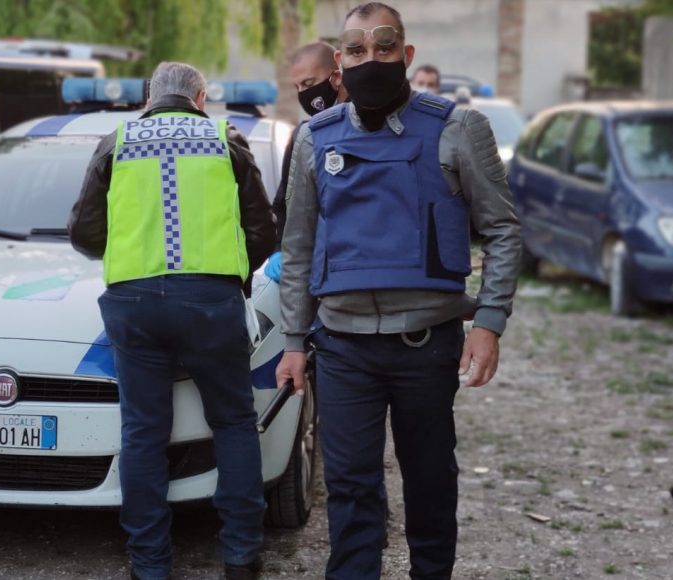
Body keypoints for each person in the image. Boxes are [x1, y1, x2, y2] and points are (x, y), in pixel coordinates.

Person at [274, 3, 521, 579]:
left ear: (406, 55)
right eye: (357, 50)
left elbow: (503, 229)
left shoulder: (458, 128)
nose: (371, 59)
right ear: (340, 64)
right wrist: (292, 340)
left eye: (384, 47)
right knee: (350, 490)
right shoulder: (314, 138)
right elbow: (298, 246)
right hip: (343, 347)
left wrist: (489, 321)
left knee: (430, 484)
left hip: (426, 344)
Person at [69, 62, 276, 580]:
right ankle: (240, 557)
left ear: (149, 99)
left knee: (142, 432)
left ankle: (149, 564)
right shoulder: (225, 138)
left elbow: (84, 233)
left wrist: (132, 250)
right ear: (200, 98)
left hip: (134, 302)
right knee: (233, 421)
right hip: (210, 301)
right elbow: (262, 231)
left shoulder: (117, 141)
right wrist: (230, 276)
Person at [266, 41, 349, 281]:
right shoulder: (304, 135)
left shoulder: (362, 125)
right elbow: (284, 201)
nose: (304, 93)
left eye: (309, 84)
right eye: (298, 87)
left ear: (336, 77)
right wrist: (277, 249)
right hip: (312, 268)